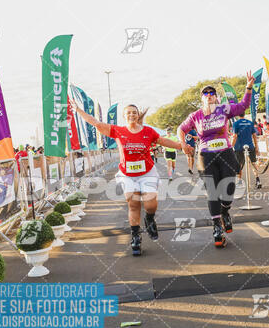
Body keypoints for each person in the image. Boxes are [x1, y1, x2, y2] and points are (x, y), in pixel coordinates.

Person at [70, 100, 191, 255]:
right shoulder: (118, 131)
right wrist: (79, 110)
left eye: (134, 112)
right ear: (124, 116)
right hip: (128, 174)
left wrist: (182, 146)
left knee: (150, 204)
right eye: (128, 112)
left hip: (147, 172)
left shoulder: (148, 131)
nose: (132, 114)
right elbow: (96, 123)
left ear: (137, 115)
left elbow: (163, 141)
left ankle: (149, 219)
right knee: (133, 204)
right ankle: (135, 236)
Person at [178, 72, 254, 248]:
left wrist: (248, 87)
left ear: (217, 97)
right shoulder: (195, 115)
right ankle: (216, 227)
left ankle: (225, 211)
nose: (210, 96)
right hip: (206, 156)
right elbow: (181, 129)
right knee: (212, 192)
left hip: (226, 153)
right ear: (202, 99)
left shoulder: (224, 109)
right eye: (206, 94)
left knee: (228, 189)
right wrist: (183, 144)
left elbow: (243, 106)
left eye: (212, 94)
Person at [231, 112, 261, 190]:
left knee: (239, 165)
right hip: (250, 146)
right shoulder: (250, 123)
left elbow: (235, 136)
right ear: (244, 114)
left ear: (238, 114)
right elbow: (254, 135)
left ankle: (239, 182)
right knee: (253, 163)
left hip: (239, 147)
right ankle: (258, 180)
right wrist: (256, 147)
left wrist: (231, 146)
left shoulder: (236, 123)